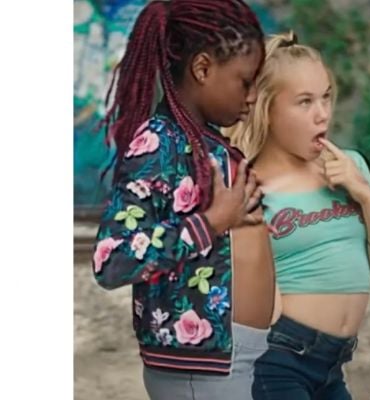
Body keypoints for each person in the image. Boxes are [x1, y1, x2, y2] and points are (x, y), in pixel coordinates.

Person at [91, 1, 275, 398]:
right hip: (197, 374)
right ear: (203, 69)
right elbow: (111, 260)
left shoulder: (207, 144)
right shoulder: (157, 144)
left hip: (236, 362)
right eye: (245, 82)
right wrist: (209, 223)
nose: (253, 97)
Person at [224, 32, 370, 399]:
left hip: (334, 366)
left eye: (326, 97)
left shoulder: (350, 166)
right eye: (304, 102)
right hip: (278, 360)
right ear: (267, 110)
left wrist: (366, 198)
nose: (322, 114)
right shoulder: (247, 186)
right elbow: (252, 306)